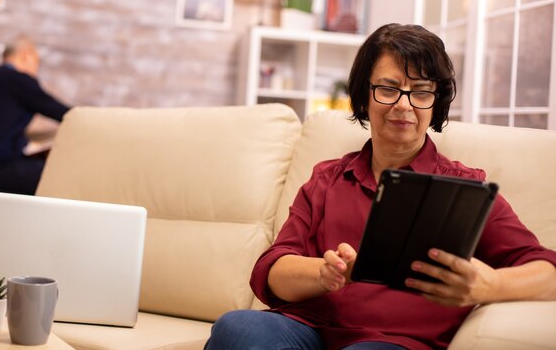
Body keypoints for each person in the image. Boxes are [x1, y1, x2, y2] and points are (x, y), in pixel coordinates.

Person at [204, 24, 556, 350]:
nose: (403, 105)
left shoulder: (464, 188)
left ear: (436, 104)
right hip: (306, 330)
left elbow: (548, 273)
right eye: (388, 89)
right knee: (237, 328)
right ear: (364, 97)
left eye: (420, 92)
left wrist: (490, 285)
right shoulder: (327, 179)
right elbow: (272, 270)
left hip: (395, 341)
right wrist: (325, 274)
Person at [0, 35, 71, 195]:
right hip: (0, 168)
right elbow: (62, 113)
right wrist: (89, 118)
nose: (36, 69)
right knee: (64, 177)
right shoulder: (19, 80)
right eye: (37, 62)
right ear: (25, 55)